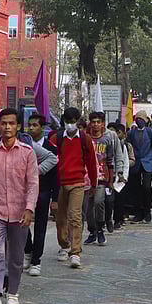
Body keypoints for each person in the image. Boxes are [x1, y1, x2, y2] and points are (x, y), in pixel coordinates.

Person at [0, 108, 39, 304]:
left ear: (18, 126)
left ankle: (12, 292)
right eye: (3, 123)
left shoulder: (27, 152)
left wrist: (29, 208)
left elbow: (32, 183)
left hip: (19, 213)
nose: (7, 127)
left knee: (16, 256)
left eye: (11, 123)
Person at [49, 107, 97, 269]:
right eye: (67, 121)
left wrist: (94, 184)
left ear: (78, 121)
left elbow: (91, 164)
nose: (70, 125)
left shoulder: (85, 139)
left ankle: (75, 252)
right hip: (61, 183)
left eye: (73, 122)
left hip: (78, 182)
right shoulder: (57, 139)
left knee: (75, 217)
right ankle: (64, 245)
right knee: (60, 218)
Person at [83, 112, 128, 246]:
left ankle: (101, 228)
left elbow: (117, 155)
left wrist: (119, 172)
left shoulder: (110, 136)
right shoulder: (85, 137)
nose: (95, 125)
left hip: (103, 175)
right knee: (88, 206)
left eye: (98, 122)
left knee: (99, 202)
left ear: (103, 123)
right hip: (86, 176)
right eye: (93, 122)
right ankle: (92, 231)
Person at [23, 114, 57, 276]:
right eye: (29, 125)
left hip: (43, 191)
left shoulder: (51, 148)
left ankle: (36, 260)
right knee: (22, 224)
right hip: (23, 192)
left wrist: (55, 198)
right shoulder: (23, 144)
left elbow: (56, 174)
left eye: (35, 125)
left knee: (40, 227)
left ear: (42, 128)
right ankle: (28, 250)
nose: (31, 128)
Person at [126, 113, 152, 223]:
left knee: (146, 187)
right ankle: (137, 212)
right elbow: (129, 147)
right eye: (137, 119)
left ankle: (147, 211)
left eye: (141, 119)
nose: (139, 121)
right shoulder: (131, 132)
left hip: (148, 163)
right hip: (135, 164)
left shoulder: (151, 132)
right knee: (135, 188)